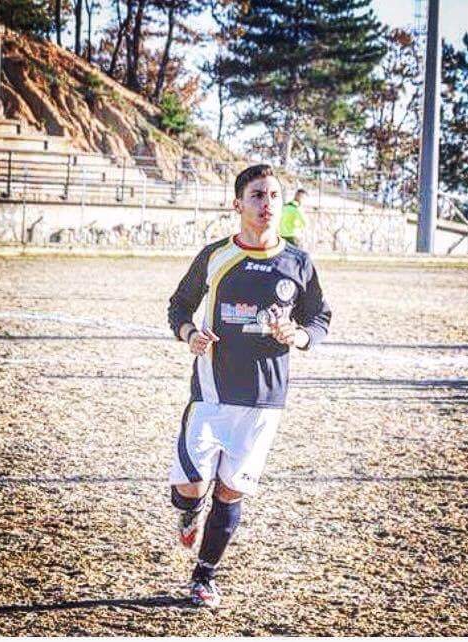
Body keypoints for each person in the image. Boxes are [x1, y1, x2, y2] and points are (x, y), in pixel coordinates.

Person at [167, 164, 331, 608]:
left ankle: (204, 576)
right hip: (212, 390)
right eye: (257, 195)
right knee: (190, 487)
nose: (267, 204)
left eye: (274, 195)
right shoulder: (216, 255)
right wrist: (189, 335)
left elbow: (320, 318)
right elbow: (180, 305)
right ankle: (188, 512)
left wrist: (297, 336)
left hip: (264, 398)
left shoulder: (298, 262)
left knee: (231, 490)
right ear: (237, 204)